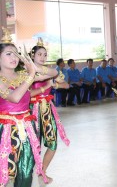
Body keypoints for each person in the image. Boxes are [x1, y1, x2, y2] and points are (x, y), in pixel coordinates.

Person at [0, 29, 49, 186]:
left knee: (26, 170)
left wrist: (34, 69)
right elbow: (14, 97)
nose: (14, 57)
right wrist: (31, 74)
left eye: (16, 53)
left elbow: (53, 73)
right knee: (5, 173)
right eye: (9, 54)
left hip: (26, 127)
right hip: (5, 130)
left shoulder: (22, 75)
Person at [29, 39, 70, 183]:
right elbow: (26, 94)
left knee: (52, 143)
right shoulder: (26, 72)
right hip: (31, 111)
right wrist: (47, 85)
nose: (42, 57)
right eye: (39, 54)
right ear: (32, 55)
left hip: (47, 110)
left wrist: (55, 86)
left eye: (45, 55)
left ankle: (42, 171)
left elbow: (66, 85)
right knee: (33, 144)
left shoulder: (51, 71)